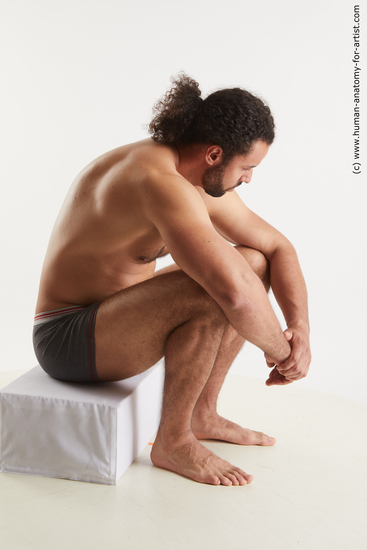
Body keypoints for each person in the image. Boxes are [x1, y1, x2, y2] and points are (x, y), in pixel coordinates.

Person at [33, 73, 311, 487]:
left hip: (117, 320)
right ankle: (173, 440)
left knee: (250, 261)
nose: (249, 179)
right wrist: (284, 355)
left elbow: (277, 248)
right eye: (248, 168)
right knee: (216, 284)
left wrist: (299, 327)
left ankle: (202, 413)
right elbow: (233, 294)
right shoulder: (157, 181)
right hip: (67, 337)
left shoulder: (190, 173)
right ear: (215, 154)